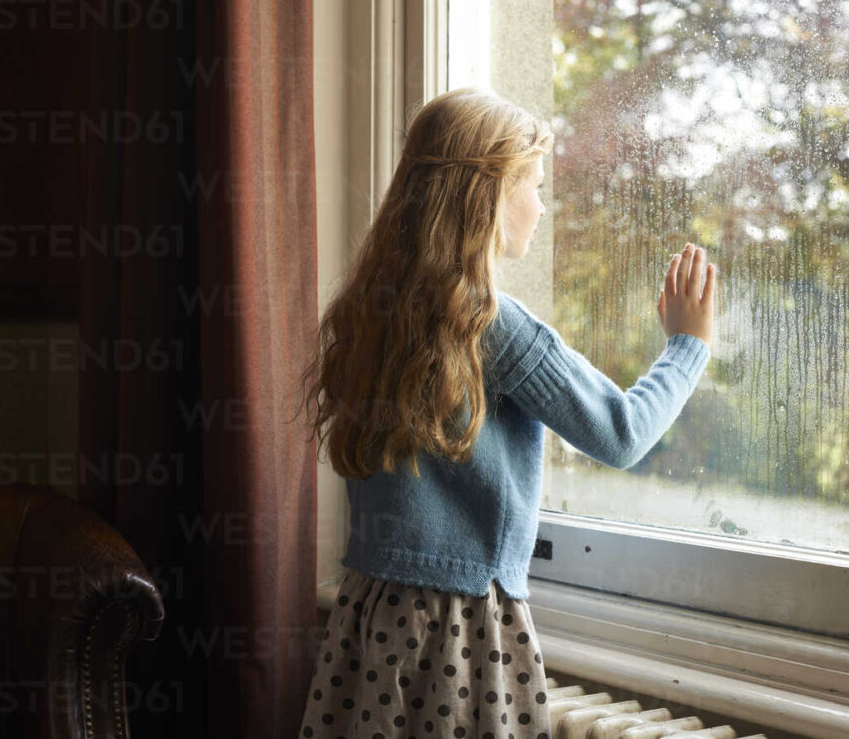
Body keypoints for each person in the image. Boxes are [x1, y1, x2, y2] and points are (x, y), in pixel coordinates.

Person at [293, 86, 716, 738]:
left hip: (370, 615)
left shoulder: (373, 309)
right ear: (488, 194)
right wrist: (688, 347)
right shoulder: (491, 323)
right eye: (535, 186)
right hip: (461, 631)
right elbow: (623, 433)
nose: (542, 207)